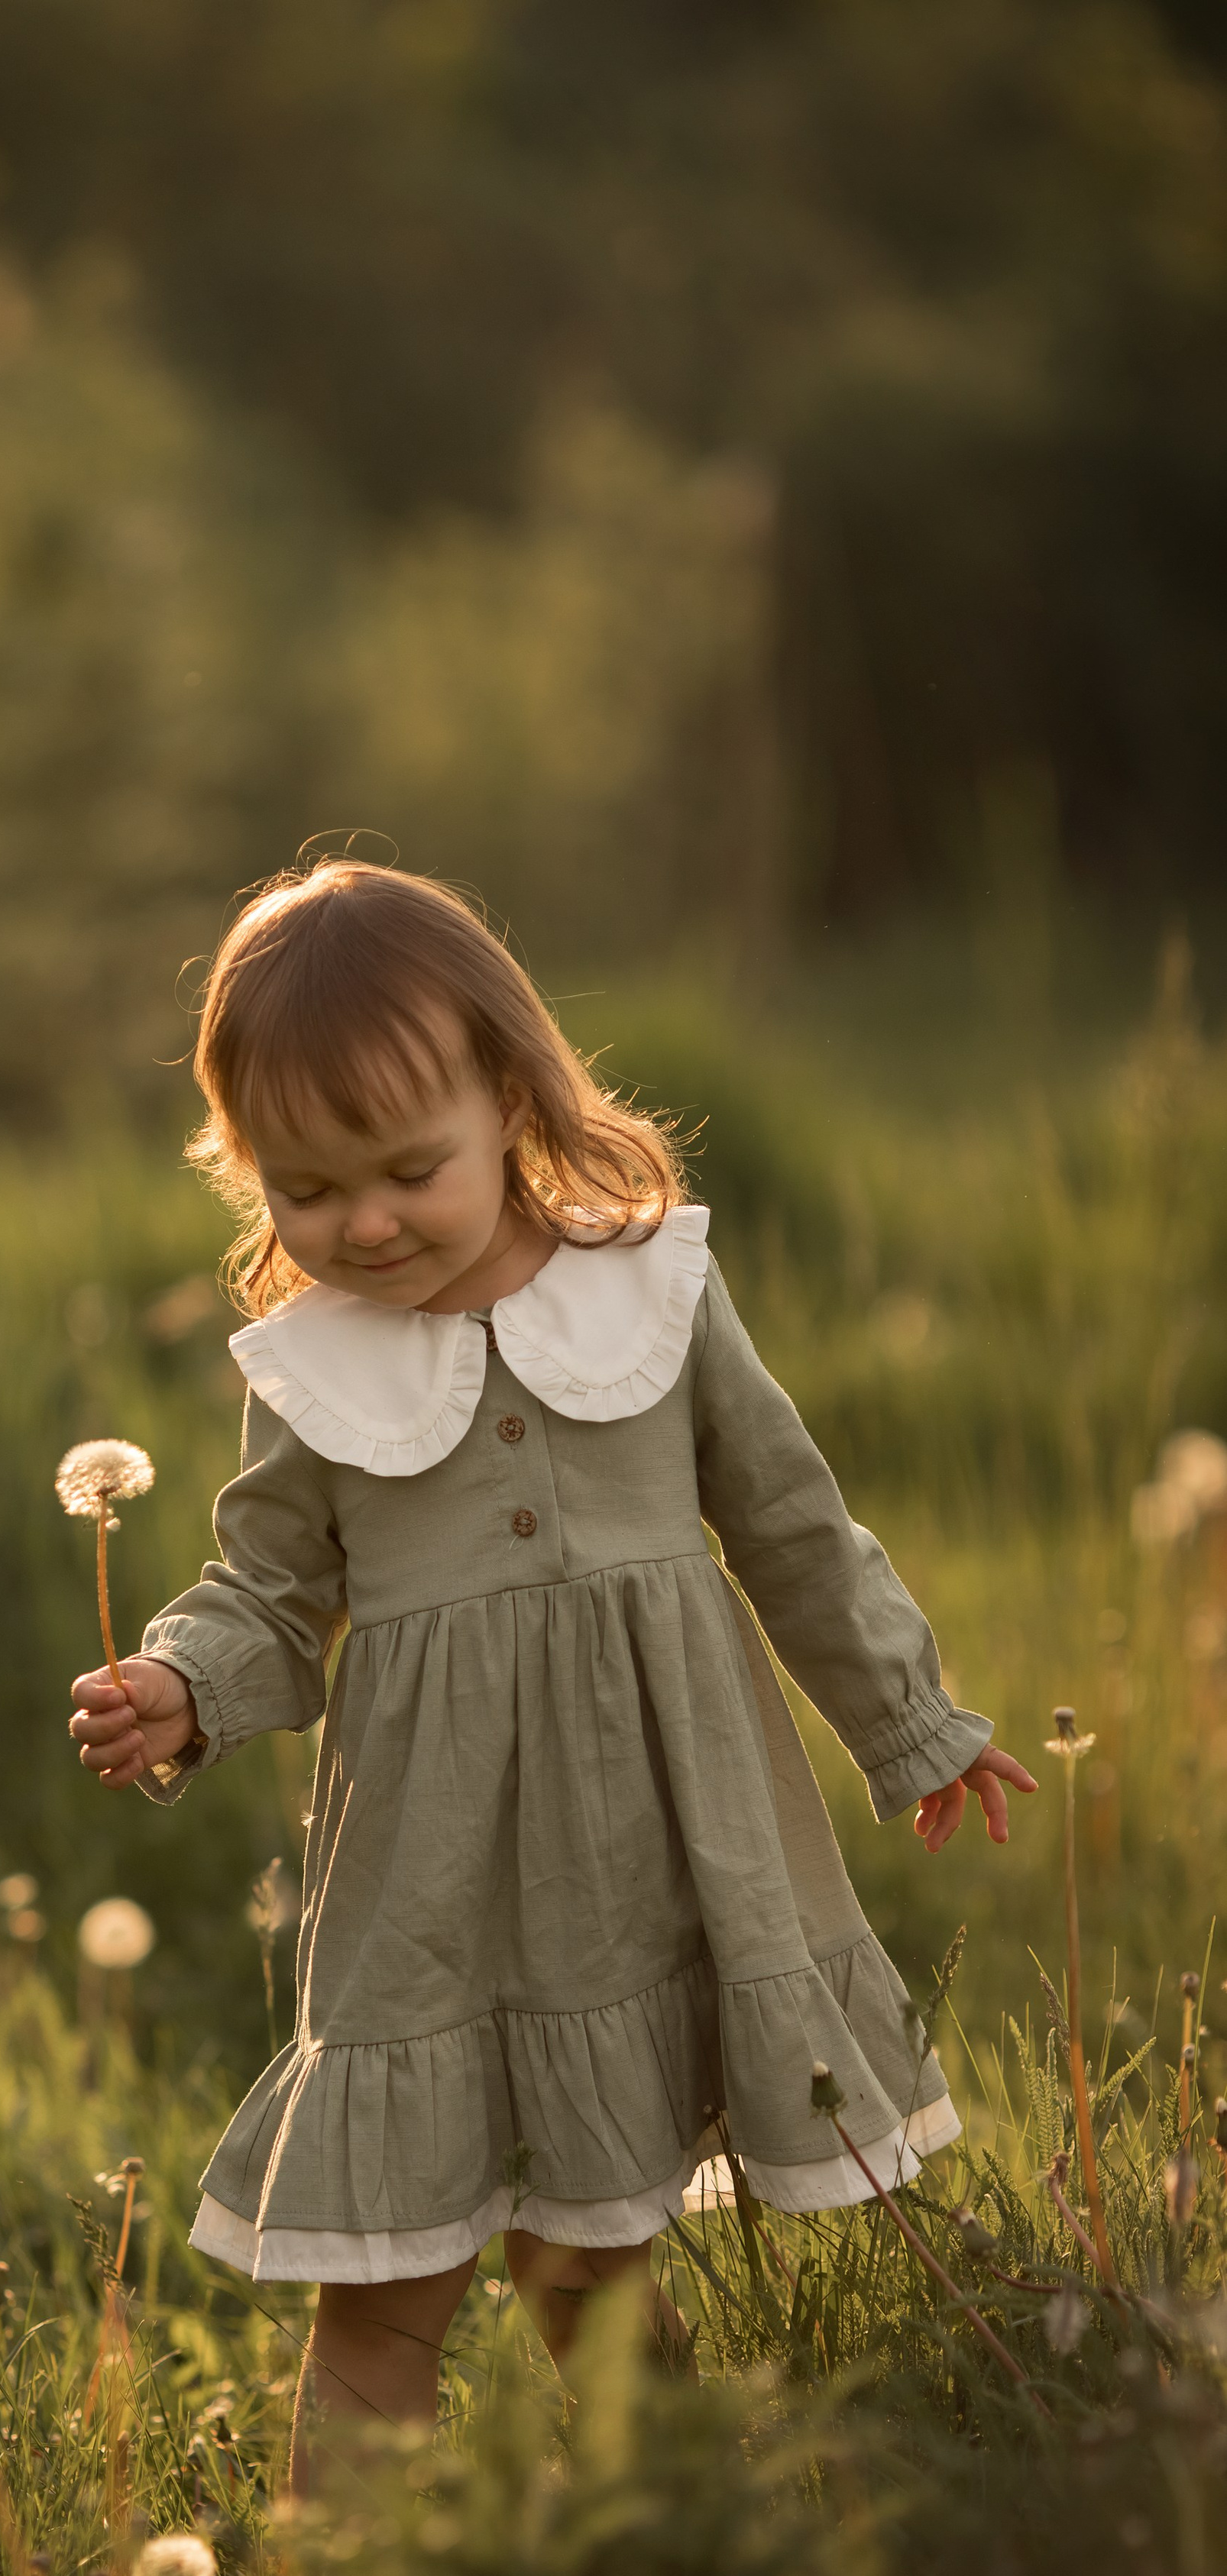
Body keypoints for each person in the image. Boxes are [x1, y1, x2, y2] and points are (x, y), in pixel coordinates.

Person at [68, 858, 1036, 2487]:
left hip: (648, 1856)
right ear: (247, 1174)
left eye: (409, 1169)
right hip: (427, 1891)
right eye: (307, 1190)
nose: (365, 1223)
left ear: (508, 1100)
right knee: (384, 2281)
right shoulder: (312, 1371)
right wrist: (185, 1683)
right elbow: (270, 1592)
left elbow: (790, 1524)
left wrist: (909, 1719)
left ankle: (664, 2535)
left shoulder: (648, 1291)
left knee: (593, 2256)